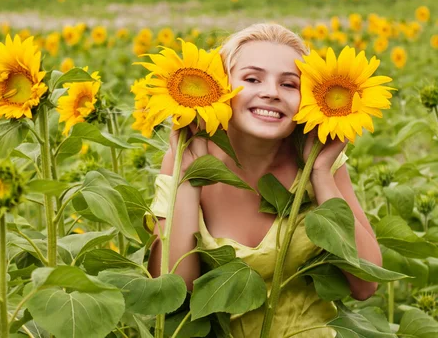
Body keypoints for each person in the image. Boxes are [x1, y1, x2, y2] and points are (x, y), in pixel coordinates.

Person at [146, 23, 383, 337]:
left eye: (289, 84)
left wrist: (321, 175)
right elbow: (173, 293)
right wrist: (192, 179)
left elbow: (365, 283)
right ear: (221, 87)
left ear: (309, 98)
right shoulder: (185, 157)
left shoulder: (318, 162)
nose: (271, 92)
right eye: (252, 79)